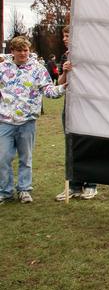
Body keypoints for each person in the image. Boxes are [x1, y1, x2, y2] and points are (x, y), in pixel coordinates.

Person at [0, 36, 66, 204]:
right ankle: (5, 191)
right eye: (19, 50)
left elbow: (48, 90)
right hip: (5, 121)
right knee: (3, 158)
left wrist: (63, 87)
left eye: (26, 50)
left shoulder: (38, 69)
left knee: (25, 158)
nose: (23, 53)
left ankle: (24, 190)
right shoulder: (2, 68)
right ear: (12, 51)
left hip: (27, 122)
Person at [55, 25, 98, 201]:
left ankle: (91, 184)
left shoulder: (90, 55)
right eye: (63, 35)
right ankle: (74, 185)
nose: (65, 38)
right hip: (70, 105)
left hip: (87, 105)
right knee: (71, 145)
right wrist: (65, 71)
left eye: (67, 35)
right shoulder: (66, 56)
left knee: (88, 142)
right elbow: (60, 83)